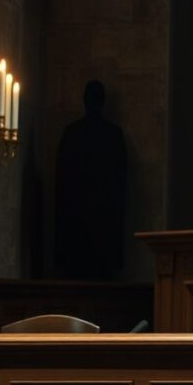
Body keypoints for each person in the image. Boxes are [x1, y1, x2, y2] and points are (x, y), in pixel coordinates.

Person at [55, 80, 127, 280]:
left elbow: (62, 190)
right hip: (100, 234)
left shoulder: (72, 134)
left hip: (78, 234)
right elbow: (120, 192)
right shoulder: (113, 135)